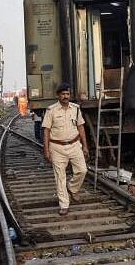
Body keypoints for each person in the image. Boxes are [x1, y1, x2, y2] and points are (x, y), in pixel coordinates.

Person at [42, 83, 89, 215]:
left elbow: (81, 127)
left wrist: (85, 146)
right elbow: (46, 130)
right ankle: (64, 204)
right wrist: (46, 150)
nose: (65, 96)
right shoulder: (51, 110)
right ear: (58, 96)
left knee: (82, 170)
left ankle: (72, 188)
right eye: (63, 94)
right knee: (60, 177)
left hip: (74, 145)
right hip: (57, 147)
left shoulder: (76, 109)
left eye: (67, 94)